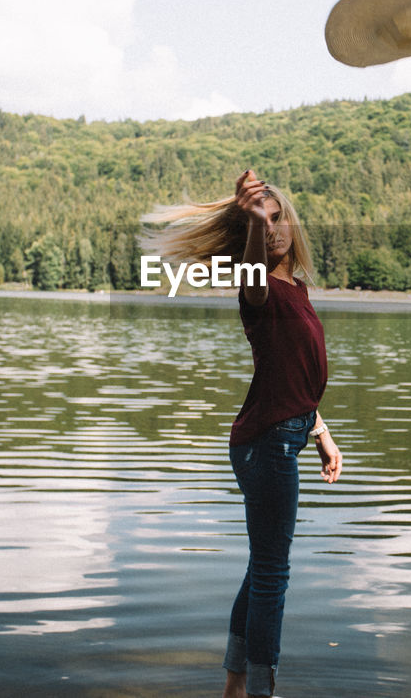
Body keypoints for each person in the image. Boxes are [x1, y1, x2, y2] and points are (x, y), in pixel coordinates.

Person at [141, 169, 342, 698]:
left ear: (292, 226)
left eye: (278, 219)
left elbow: (292, 372)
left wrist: (320, 430)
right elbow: (253, 271)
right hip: (268, 444)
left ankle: (234, 685)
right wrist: (251, 223)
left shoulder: (293, 288)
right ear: (249, 234)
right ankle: (259, 691)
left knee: (263, 569)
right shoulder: (258, 291)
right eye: (262, 221)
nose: (273, 229)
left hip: (282, 435)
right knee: (274, 573)